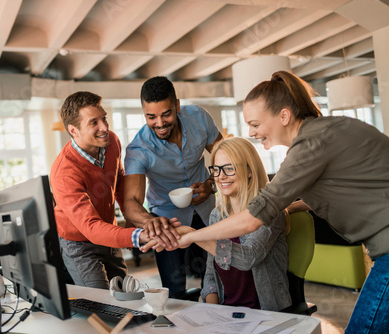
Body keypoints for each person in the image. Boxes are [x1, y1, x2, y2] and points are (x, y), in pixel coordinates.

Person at [150, 71, 389, 333]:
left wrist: (190, 237)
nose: (251, 132)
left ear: (283, 116)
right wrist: (292, 206)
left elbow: (254, 219)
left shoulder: (309, 146)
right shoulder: (321, 135)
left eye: (255, 123)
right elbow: (345, 186)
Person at [124, 76, 223, 298]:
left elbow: (225, 160)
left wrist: (210, 185)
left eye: (166, 114)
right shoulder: (138, 150)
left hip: (207, 210)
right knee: (174, 290)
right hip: (166, 221)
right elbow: (130, 203)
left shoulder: (199, 117)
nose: (159, 123)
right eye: (151, 117)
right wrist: (151, 222)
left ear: (177, 105)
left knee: (220, 276)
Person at [50, 91, 155, 289]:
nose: (104, 127)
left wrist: (133, 215)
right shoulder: (64, 172)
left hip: (107, 230)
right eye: (94, 122)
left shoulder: (112, 142)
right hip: (79, 243)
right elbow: (90, 227)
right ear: (74, 130)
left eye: (104, 118)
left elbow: (119, 179)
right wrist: (138, 236)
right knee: (100, 299)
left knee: (125, 292)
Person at [200, 137, 291, 311]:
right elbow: (210, 275)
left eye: (229, 168)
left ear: (249, 170)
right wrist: (212, 313)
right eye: (217, 169)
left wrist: (192, 236)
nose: (221, 176)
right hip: (227, 314)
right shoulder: (216, 216)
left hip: (265, 315)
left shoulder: (268, 213)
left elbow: (247, 258)